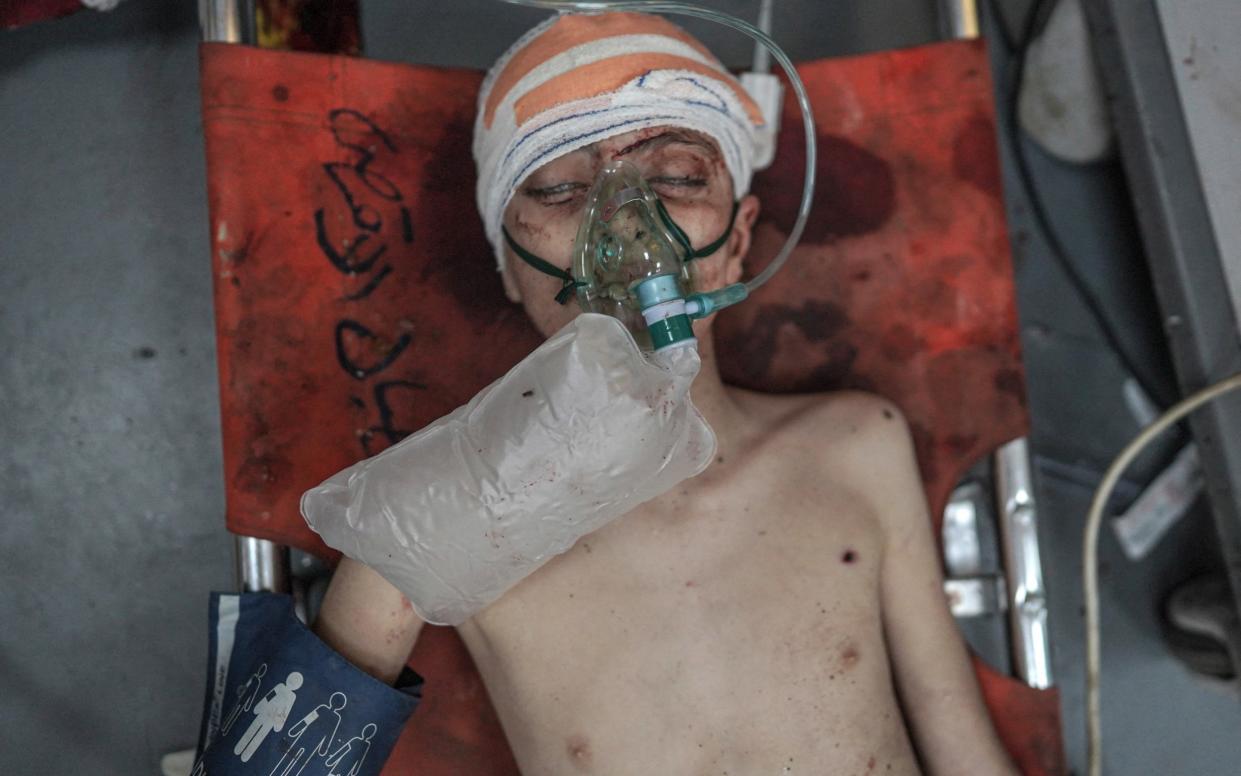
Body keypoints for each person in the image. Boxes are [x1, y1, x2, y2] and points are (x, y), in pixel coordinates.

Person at [312, 12, 1019, 775]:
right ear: (511, 270)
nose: (621, 222)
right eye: (557, 190)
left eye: (677, 177)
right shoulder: (449, 525)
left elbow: (966, 755)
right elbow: (282, 758)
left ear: (738, 238)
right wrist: (424, 527)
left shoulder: (854, 447)